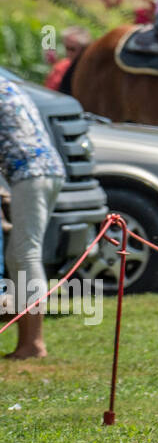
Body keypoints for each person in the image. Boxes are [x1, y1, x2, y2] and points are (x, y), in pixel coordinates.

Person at [0, 79, 67, 358]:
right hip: (46, 169)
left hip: (30, 173)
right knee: (22, 254)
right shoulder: (8, 84)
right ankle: (28, 342)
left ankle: (33, 344)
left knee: (25, 255)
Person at [44, 26, 91, 93]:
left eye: (72, 49)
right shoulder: (62, 65)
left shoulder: (86, 72)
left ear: (84, 50)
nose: (68, 53)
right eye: (66, 47)